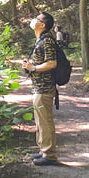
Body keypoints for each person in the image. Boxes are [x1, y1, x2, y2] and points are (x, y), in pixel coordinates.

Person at [22, 11, 59, 166]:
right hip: (38, 87)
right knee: (39, 121)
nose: (33, 20)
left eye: (37, 19)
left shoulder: (47, 41)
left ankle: (49, 154)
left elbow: (52, 63)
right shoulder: (40, 41)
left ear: (42, 25)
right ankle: (43, 150)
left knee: (45, 121)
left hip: (44, 87)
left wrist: (34, 68)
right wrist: (29, 66)